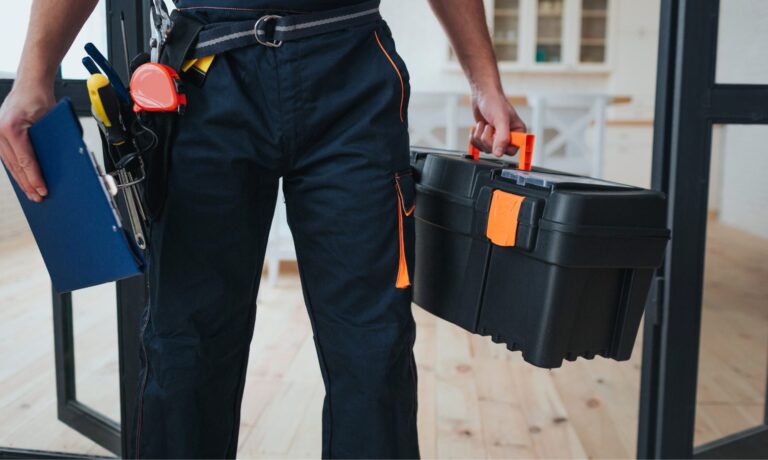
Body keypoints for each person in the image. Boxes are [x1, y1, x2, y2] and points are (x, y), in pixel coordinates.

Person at [0, 0, 526, 458]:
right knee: (185, 348)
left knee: (373, 351)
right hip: (205, 74)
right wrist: (34, 75)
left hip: (351, 71)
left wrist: (484, 82)